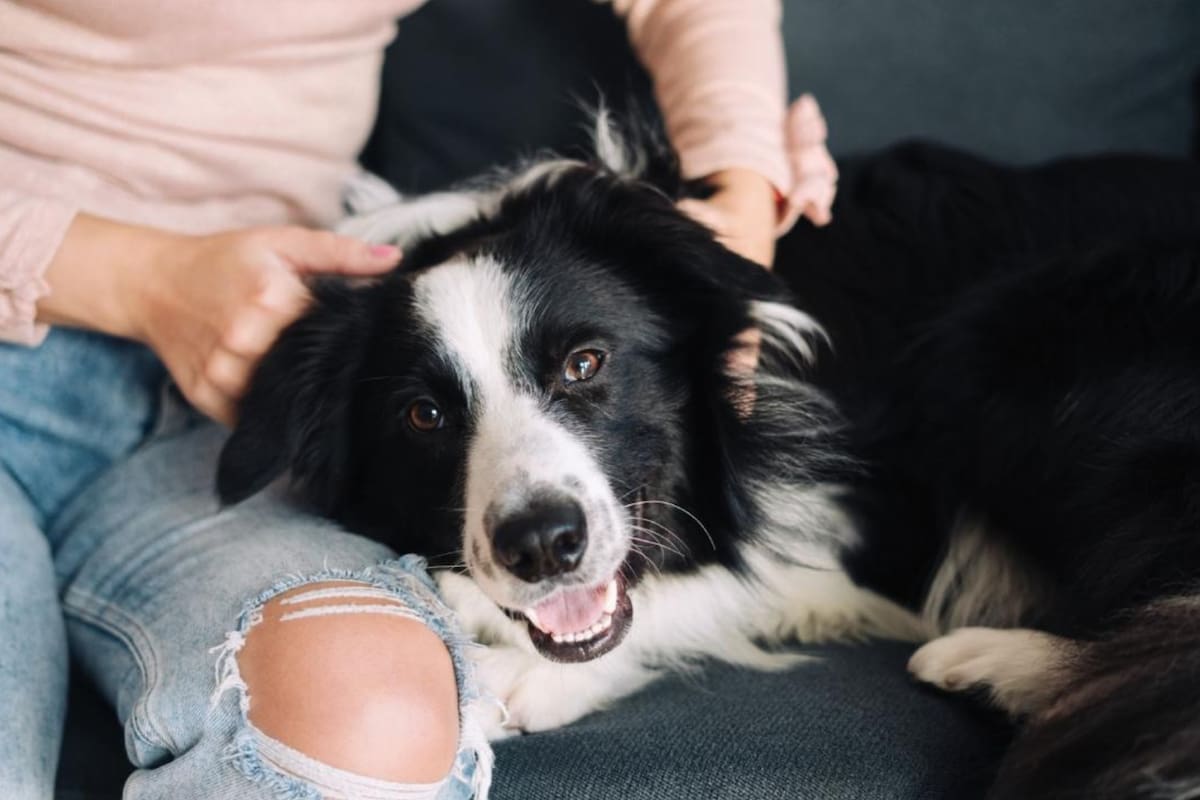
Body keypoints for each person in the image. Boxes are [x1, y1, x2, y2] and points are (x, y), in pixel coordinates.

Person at [0, 1, 837, 798]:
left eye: (583, 367)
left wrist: (740, 189)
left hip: (220, 399)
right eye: (430, 415)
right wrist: (147, 281)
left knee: (370, 712)